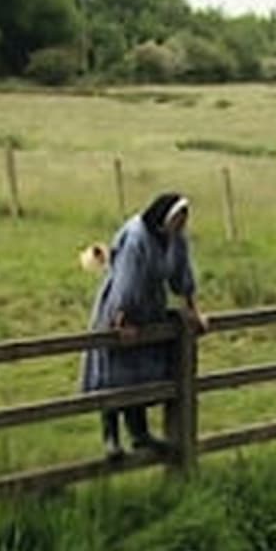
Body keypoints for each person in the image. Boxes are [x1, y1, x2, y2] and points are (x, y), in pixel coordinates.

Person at [80, 192, 207, 458]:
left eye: (184, 219)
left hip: (150, 310)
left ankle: (140, 434)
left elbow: (183, 275)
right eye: (178, 218)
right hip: (119, 306)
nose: (181, 224)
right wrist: (121, 320)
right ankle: (111, 439)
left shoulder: (175, 239)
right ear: (165, 216)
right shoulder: (137, 237)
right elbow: (126, 281)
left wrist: (193, 310)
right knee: (114, 373)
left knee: (137, 374)